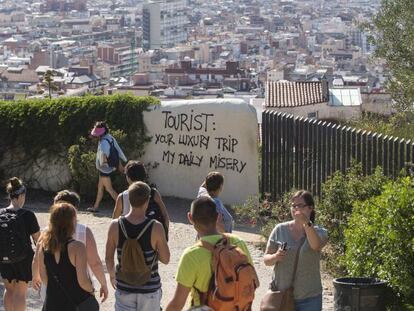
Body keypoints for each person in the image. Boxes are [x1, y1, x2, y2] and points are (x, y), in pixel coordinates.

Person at [165, 196, 253, 311]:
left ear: (190, 218)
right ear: (217, 217)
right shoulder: (238, 243)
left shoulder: (191, 255)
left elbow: (177, 303)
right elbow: (250, 281)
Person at [32, 190, 108, 303]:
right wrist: (103, 284)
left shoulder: (45, 234)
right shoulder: (84, 231)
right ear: (74, 210)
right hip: (78, 291)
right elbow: (95, 262)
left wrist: (35, 276)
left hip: (52, 291)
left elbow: (37, 260)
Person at [105, 181, 170, 311]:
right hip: (149, 289)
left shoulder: (114, 225)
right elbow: (166, 259)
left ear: (129, 199)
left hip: (124, 287)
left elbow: (108, 258)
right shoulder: (156, 227)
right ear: (147, 201)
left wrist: (112, 276)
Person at [263, 190, 328, 311]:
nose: (296, 209)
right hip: (281, 296)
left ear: (310, 208)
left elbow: (315, 246)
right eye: (293, 206)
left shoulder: (320, 232)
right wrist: (275, 256)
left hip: (310, 299)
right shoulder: (280, 229)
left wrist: (306, 223)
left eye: (300, 205)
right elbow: (266, 260)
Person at [37, 202, 97, 311]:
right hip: (76, 302)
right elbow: (83, 281)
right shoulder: (78, 247)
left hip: (53, 303)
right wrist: (92, 290)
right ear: (71, 222)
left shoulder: (43, 246)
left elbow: (44, 278)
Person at [0, 177, 40, 311]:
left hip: (4, 258)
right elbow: (38, 240)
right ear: (22, 195)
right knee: (20, 293)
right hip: (24, 258)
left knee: (9, 290)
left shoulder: (0, 214)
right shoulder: (28, 215)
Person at [112, 160, 170, 236]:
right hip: (151, 237)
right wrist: (164, 235)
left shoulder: (122, 197)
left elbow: (114, 222)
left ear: (128, 177)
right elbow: (165, 216)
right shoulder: (153, 193)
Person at [88, 121, 127, 213]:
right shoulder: (110, 137)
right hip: (107, 168)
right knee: (100, 188)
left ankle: (124, 208)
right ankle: (95, 207)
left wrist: (103, 163)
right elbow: (118, 149)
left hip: (104, 169)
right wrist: (121, 161)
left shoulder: (103, 143)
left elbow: (104, 156)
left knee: (109, 189)